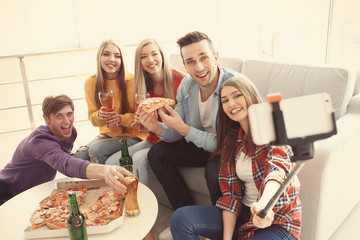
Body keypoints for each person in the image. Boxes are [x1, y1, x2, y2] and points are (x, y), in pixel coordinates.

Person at [170, 76, 302, 240]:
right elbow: (231, 196)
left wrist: (264, 206)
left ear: (250, 95)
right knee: (181, 218)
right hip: (244, 215)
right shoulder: (231, 141)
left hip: (278, 222)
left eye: (237, 95)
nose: (231, 103)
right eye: (225, 100)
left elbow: (278, 170)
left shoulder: (272, 128)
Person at [137, 31, 241, 238]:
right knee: (157, 153)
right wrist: (157, 127)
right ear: (185, 65)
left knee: (215, 171)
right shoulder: (186, 85)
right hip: (198, 141)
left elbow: (222, 146)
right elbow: (177, 132)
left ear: (216, 57)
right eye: (191, 62)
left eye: (204, 58)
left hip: (228, 150)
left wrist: (184, 130)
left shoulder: (233, 87)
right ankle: (185, 215)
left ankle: (216, 229)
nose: (199, 68)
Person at [0, 95, 132, 206]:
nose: (67, 121)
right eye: (59, 116)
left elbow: (66, 157)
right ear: (46, 118)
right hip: (7, 191)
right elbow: (65, 163)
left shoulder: (69, 132)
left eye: (69, 114)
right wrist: (104, 170)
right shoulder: (40, 141)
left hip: (29, 192)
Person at [105, 38, 185, 186]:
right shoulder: (143, 86)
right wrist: (139, 121)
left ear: (162, 55)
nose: (150, 60)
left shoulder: (181, 81)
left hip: (173, 142)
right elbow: (144, 125)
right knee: (111, 162)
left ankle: (138, 204)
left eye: (154, 54)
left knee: (138, 159)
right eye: (143, 56)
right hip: (153, 139)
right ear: (139, 61)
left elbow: (185, 123)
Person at [74, 39, 147, 164]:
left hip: (134, 137)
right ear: (99, 57)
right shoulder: (91, 82)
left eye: (117, 56)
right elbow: (93, 119)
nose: (111, 59)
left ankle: (110, 182)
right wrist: (100, 115)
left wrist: (120, 119)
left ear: (122, 59)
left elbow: (142, 118)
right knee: (78, 157)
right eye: (106, 54)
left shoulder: (134, 80)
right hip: (108, 135)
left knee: (97, 149)